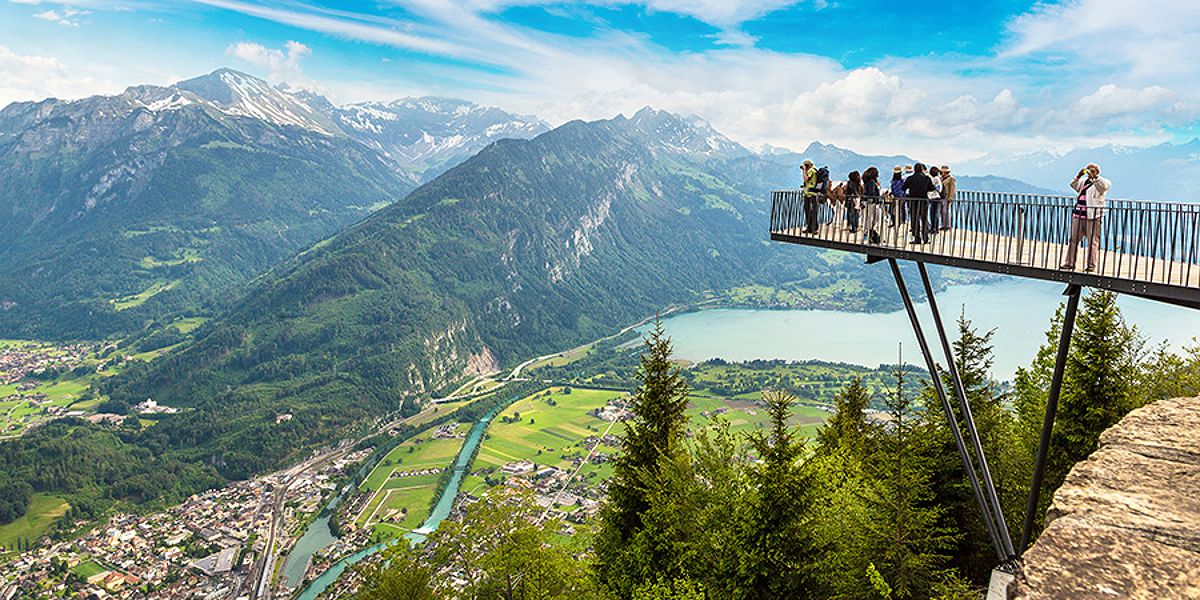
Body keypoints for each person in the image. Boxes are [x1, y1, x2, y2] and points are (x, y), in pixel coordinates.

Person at [1061, 163, 1111, 272]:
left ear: (1097, 172)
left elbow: (1103, 188)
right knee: (1073, 239)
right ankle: (1069, 263)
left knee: (1092, 241)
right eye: (1088, 170)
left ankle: (1091, 265)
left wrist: (1095, 178)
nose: (1089, 173)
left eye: (1092, 170)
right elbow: (1073, 185)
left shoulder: (1103, 182)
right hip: (1078, 214)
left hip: (1093, 216)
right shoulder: (1083, 181)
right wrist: (1079, 175)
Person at [903, 162, 935, 244]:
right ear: (921, 169)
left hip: (913, 201)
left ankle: (917, 237)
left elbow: (903, 187)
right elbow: (932, 188)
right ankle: (925, 238)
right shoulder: (927, 178)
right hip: (924, 200)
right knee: (924, 219)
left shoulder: (910, 178)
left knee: (914, 219)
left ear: (914, 170)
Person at [802, 160, 819, 233]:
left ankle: (813, 229)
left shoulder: (811, 171)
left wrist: (804, 171)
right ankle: (811, 228)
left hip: (810, 194)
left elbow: (806, 178)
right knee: (811, 211)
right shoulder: (814, 170)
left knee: (810, 211)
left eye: (805, 165)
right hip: (811, 194)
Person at [939, 165, 955, 231]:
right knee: (941, 211)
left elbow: (952, 188)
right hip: (941, 197)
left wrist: (951, 197)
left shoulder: (951, 179)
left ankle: (947, 225)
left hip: (946, 197)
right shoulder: (940, 178)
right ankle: (943, 224)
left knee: (945, 211)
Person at [928, 166, 943, 232]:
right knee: (933, 213)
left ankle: (934, 227)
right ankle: (934, 227)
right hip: (934, 197)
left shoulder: (936, 179)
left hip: (935, 197)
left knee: (934, 213)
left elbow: (939, 189)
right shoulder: (936, 179)